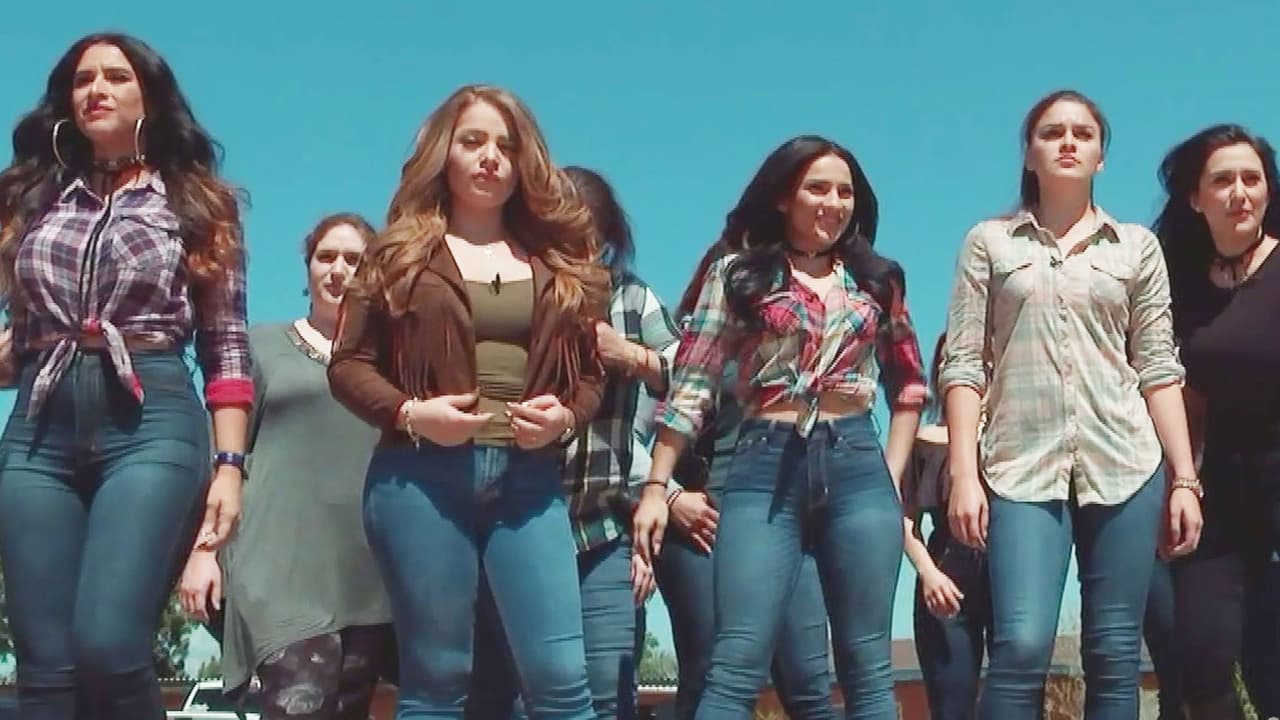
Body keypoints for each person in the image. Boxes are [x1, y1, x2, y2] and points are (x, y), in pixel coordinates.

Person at [327, 84, 609, 719]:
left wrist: (566, 418)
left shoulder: (560, 263)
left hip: (530, 480)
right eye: (473, 141)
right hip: (419, 476)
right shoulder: (397, 254)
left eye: (506, 146)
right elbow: (347, 365)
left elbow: (591, 375)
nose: (490, 158)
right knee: (436, 679)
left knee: (563, 678)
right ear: (443, 153)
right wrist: (410, 413)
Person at [0, 32, 251, 720]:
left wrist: (229, 468)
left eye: (116, 77)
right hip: (39, 424)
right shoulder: (30, 198)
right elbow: (19, 329)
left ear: (151, 97)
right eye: (83, 79)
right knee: (45, 668)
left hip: (151, 415)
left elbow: (226, 346)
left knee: (108, 643)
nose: (97, 90)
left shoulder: (197, 202)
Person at [635, 134, 928, 719]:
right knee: (737, 657)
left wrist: (890, 476)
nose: (833, 203)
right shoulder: (737, 275)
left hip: (857, 462)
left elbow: (910, 386)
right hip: (764, 463)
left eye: (844, 192)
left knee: (867, 664)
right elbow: (691, 384)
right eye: (817, 189)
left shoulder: (876, 280)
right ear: (782, 197)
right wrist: (655, 486)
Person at [941, 89, 1202, 719]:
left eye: (1083, 134)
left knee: (1114, 652)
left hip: (1126, 461)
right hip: (1019, 466)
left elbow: (1158, 367)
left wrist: (1183, 479)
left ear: (1101, 157)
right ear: (1029, 153)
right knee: (1021, 644)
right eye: (1052, 132)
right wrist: (963, 474)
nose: (1067, 142)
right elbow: (964, 363)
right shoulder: (989, 242)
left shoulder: (1135, 247)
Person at [467, 166, 678, 720]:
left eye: (588, 239)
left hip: (601, 528)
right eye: (559, 234)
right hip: (515, 522)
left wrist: (629, 355)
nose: (575, 252)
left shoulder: (632, 298)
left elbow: (694, 380)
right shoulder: (510, 287)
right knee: (518, 695)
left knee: (608, 691)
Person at [178, 213, 397, 720]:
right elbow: (224, 461)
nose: (338, 270)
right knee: (299, 701)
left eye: (354, 260)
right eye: (326, 257)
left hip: (367, 576)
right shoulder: (261, 347)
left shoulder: (392, 365)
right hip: (281, 573)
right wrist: (204, 552)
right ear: (308, 268)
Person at [651, 240, 836, 720]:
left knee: (809, 680)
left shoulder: (795, 344)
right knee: (713, 672)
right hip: (706, 523)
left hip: (786, 517)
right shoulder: (684, 346)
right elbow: (638, 432)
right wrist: (670, 496)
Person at [1153, 123, 1280, 719]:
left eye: (1252, 179)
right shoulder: (1180, 286)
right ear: (1195, 198)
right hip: (1222, 491)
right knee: (1200, 654)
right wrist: (1181, 482)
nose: (1240, 192)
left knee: (1271, 664)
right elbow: (1188, 398)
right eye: (1223, 180)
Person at [901, 334, 991, 720]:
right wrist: (928, 574)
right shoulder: (923, 441)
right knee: (951, 707)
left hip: (1008, 578)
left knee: (1020, 700)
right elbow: (905, 521)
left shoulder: (1008, 443)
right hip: (946, 585)